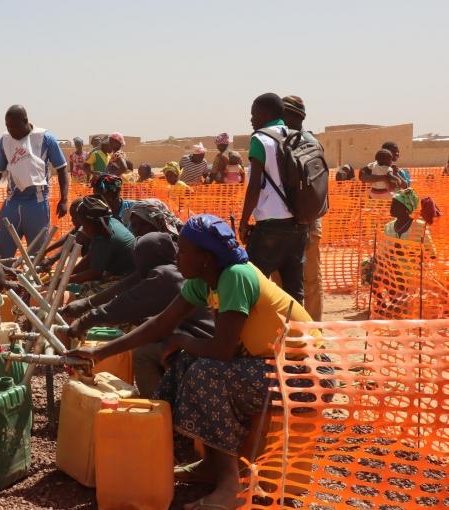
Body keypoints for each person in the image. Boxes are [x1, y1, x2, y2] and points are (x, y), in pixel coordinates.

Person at [69, 214, 311, 510]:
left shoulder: (235, 275)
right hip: (270, 368)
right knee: (186, 364)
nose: (177, 256)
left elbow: (221, 350)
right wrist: (99, 353)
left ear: (206, 258)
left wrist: (181, 340)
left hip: (302, 373)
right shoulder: (203, 282)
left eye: (183, 251)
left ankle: (230, 486)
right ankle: (210, 464)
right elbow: (161, 324)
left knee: (207, 373)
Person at [61, 232, 214, 397]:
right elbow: (131, 295)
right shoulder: (172, 272)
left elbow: (124, 304)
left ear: (145, 258)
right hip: (201, 335)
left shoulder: (162, 276)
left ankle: (159, 407)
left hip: (201, 342)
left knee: (143, 354)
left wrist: (85, 321)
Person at [239, 92, 309, 305]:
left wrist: (243, 222)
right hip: (299, 224)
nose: (251, 119)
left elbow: (254, 187)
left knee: (252, 283)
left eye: (254, 113)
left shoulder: (260, 139)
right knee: (294, 289)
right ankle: (299, 335)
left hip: (271, 226)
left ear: (266, 113)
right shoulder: (299, 137)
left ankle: (252, 336)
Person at [0, 105, 69, 258]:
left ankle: (34, 280)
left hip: (37, 203)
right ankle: (3, 279)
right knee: (2, 254)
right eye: (8, 126)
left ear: (25, 121)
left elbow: (62, 168)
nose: (11, 130)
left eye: (14, 126)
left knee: (37, 255)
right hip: (12, 202)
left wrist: (64, 199)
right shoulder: (5, 141)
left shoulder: (45, 138)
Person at [282, 94, 324, 321]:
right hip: (311, 220)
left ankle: (287, 331)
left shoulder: (281, 143)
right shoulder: (315, 142)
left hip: (284, 224)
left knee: (281, 284)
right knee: (311, 281)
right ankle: (314, 331)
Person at [69, 196, 135, 285]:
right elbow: (90, 257)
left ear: (92, 224)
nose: (83, 229)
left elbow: (95, 273)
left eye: (84, 226)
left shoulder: (104, 238)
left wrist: (66, 280)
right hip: (125, 272)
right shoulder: (110, 222)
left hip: (129, 278)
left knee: (85, 291)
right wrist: (68, 274)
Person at [384, 188, 436, 254]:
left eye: (396, 205)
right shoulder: (388, 227)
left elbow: (432, 254)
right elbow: (383, 253)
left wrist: (411, 254)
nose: (391, 207)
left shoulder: (420, 227)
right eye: (392, 204)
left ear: (406, 209)